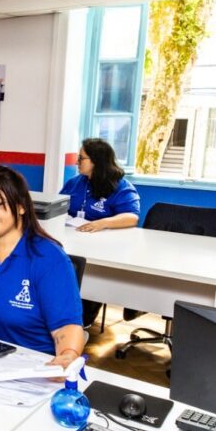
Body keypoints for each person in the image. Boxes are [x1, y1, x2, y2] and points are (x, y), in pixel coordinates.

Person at [0, 166, 85, 367]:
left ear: (21, 207)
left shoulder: (49, 259)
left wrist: (67, 356)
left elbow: (66, 327)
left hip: (31, 366)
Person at [59, 138, 142, 325]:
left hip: (102, 251)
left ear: (96, 161)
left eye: (81, 158)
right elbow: (57, 205)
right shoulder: (75, 183)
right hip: (74, 242)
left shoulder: (120, 186)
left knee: (87, 282)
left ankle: (83, 316)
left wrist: (103, 222)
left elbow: (132, 217)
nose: (77, 162)